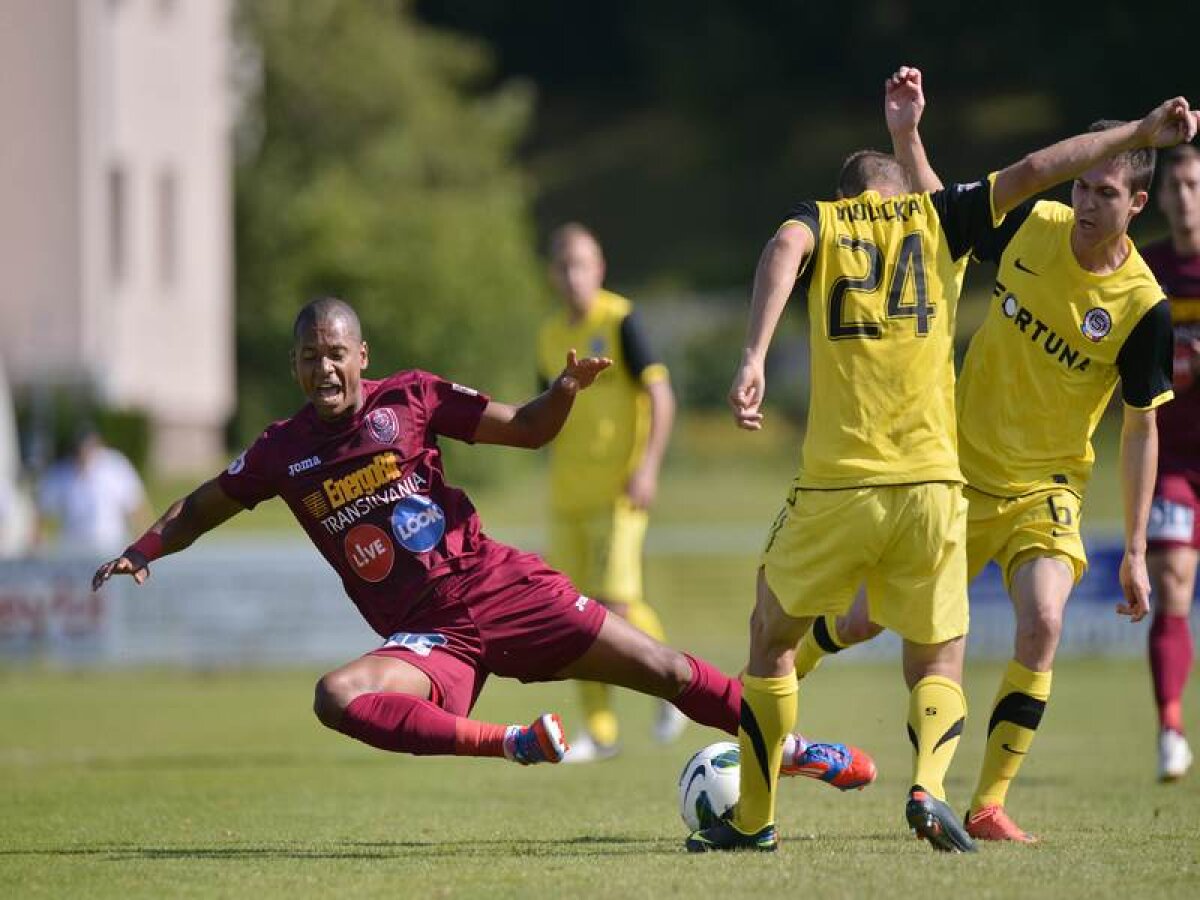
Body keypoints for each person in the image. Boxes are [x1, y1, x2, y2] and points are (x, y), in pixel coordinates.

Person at [685, 68, 1197, 854]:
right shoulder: (1021, 228)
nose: (1088, 201)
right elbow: (964, 200)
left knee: (1042, 619)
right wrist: (910, 137)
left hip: (1031, 488)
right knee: (882, 629)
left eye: (1107, 192)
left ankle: (973, 800)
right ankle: (885, 756)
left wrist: (1130, 545)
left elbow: (1139, 427)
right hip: (949, 474)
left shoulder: (1143, 306)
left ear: (1136, 203)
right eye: (1085, 187)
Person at [92, 297, 875, 793]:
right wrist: (146, 547)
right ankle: (512, 744)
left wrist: (564, 391)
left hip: (501, 588)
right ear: (295, 366)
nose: (323, 367)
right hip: (430, 637)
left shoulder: (412, 399)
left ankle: (800, 751)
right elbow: (207, 502)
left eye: (336, 353)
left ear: (361, 356)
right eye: (308, 356)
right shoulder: (280, 450)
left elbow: (529, 431)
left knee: (667, 669)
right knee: (336, 696)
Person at [537, 223, 684, 762]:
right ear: (554, 275)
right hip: (566, 496)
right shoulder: (549, 334)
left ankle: (673, 680)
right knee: (572, 613)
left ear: (599, 268)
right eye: (565, 266)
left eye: (584, 264)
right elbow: (544, 412)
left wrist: (647, 467)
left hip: (621, 491)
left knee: (616, 604)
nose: (575, 275)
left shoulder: (621, 320)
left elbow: (661, 396)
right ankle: (599, 732)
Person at [1142, 143, 1200, 782]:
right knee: (1175, 582)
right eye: (1175, 186)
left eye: (1194, 185)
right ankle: (1171, 728)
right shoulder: (1149, 270)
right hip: (1174, 465)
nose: (1184, 197)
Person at [38, 426, 148, 556]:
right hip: (74, 549)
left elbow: (136, 507)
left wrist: (143, 548)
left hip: (112, 547)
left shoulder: (116, 466)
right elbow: (43, 512)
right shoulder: (61, 472)